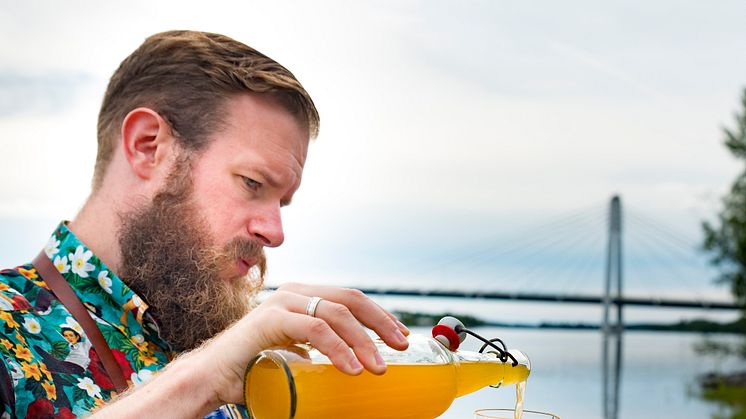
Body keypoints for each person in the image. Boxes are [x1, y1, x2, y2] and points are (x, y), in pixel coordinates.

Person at [0, 30, 410, 418]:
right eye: (252, 183)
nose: (276, 231)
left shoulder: (253, 354)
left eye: (282, 202)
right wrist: (205, 378)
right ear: (147, 146)